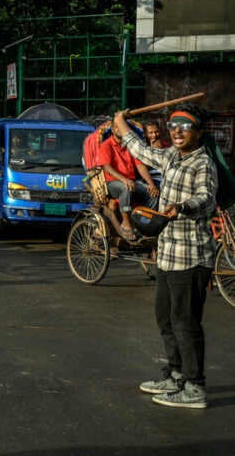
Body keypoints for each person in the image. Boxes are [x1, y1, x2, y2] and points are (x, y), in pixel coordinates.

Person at [113, 105, 217, 409]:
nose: (178, 132)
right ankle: (175, 375)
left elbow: (206, 197)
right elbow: (141, 150)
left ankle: (195, 386)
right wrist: (121, 122)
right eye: (174, 126)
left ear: (199, 132)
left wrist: (182, 207)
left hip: (193, 255)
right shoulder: (171, 155)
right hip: (168, 254)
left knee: (186, 322)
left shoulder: (204, 163)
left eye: (185, 127)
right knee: (165, 318)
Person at [96, 122, 159, 240]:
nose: (120, 129)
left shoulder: (130, 146)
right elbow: (106, 167)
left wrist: (151, 184)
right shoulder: (107, 145)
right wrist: (124, 179)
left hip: (131, 182)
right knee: (126, 187)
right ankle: (126, 222)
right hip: (112, 183)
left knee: (153, 193)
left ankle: (144, 224)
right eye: (117, 127)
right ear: (113, 129)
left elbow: (140, 166)